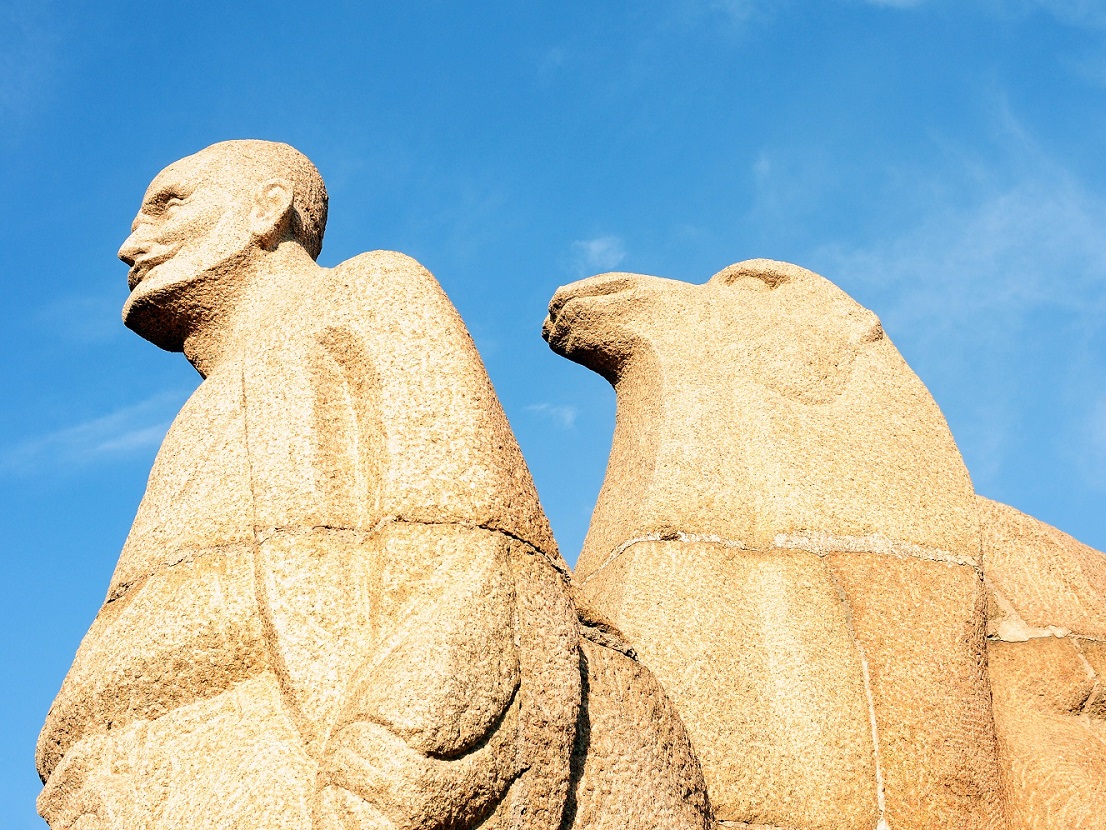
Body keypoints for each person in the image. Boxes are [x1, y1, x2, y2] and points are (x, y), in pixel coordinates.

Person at [36, 141, 712, 830]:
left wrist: (385, 784)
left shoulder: (365, 297)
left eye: (167, 205)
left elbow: (471, 561)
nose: (129, 246)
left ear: (267, 210)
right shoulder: (201, 413)